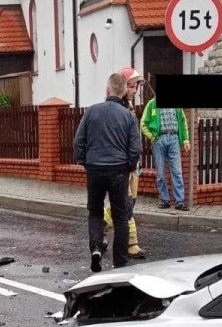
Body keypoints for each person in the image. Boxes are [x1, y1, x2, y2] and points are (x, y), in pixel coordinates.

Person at [74, 72, 141, 273]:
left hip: (94, 169)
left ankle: (96, 248)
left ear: (108, 89)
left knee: (94, 211)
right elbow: (135, 148)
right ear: (123, 92)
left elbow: (78, 142)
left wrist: (85, 162)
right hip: (119, 170)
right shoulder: (128, 116)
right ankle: (120, 262)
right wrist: (128, 166)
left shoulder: (92, 111)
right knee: (121, 216)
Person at [102, 68, 146, 259]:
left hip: (132, 166)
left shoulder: (128, 108)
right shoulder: (116, 109)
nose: (135, 90)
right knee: (125, 205)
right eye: (132, 86)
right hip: (121, 167)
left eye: (136, 86)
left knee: (128, 204)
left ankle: (101, 227)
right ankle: (131, 243)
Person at [141, 96, 190, 212]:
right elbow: (143, 123)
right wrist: (152, 137)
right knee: (160, 172)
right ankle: (165, 200)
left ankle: (180, 202)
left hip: (174, 138)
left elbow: (183, 122)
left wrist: (185, 140)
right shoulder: (152, 104)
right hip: (159, 139)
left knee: (177, 172)